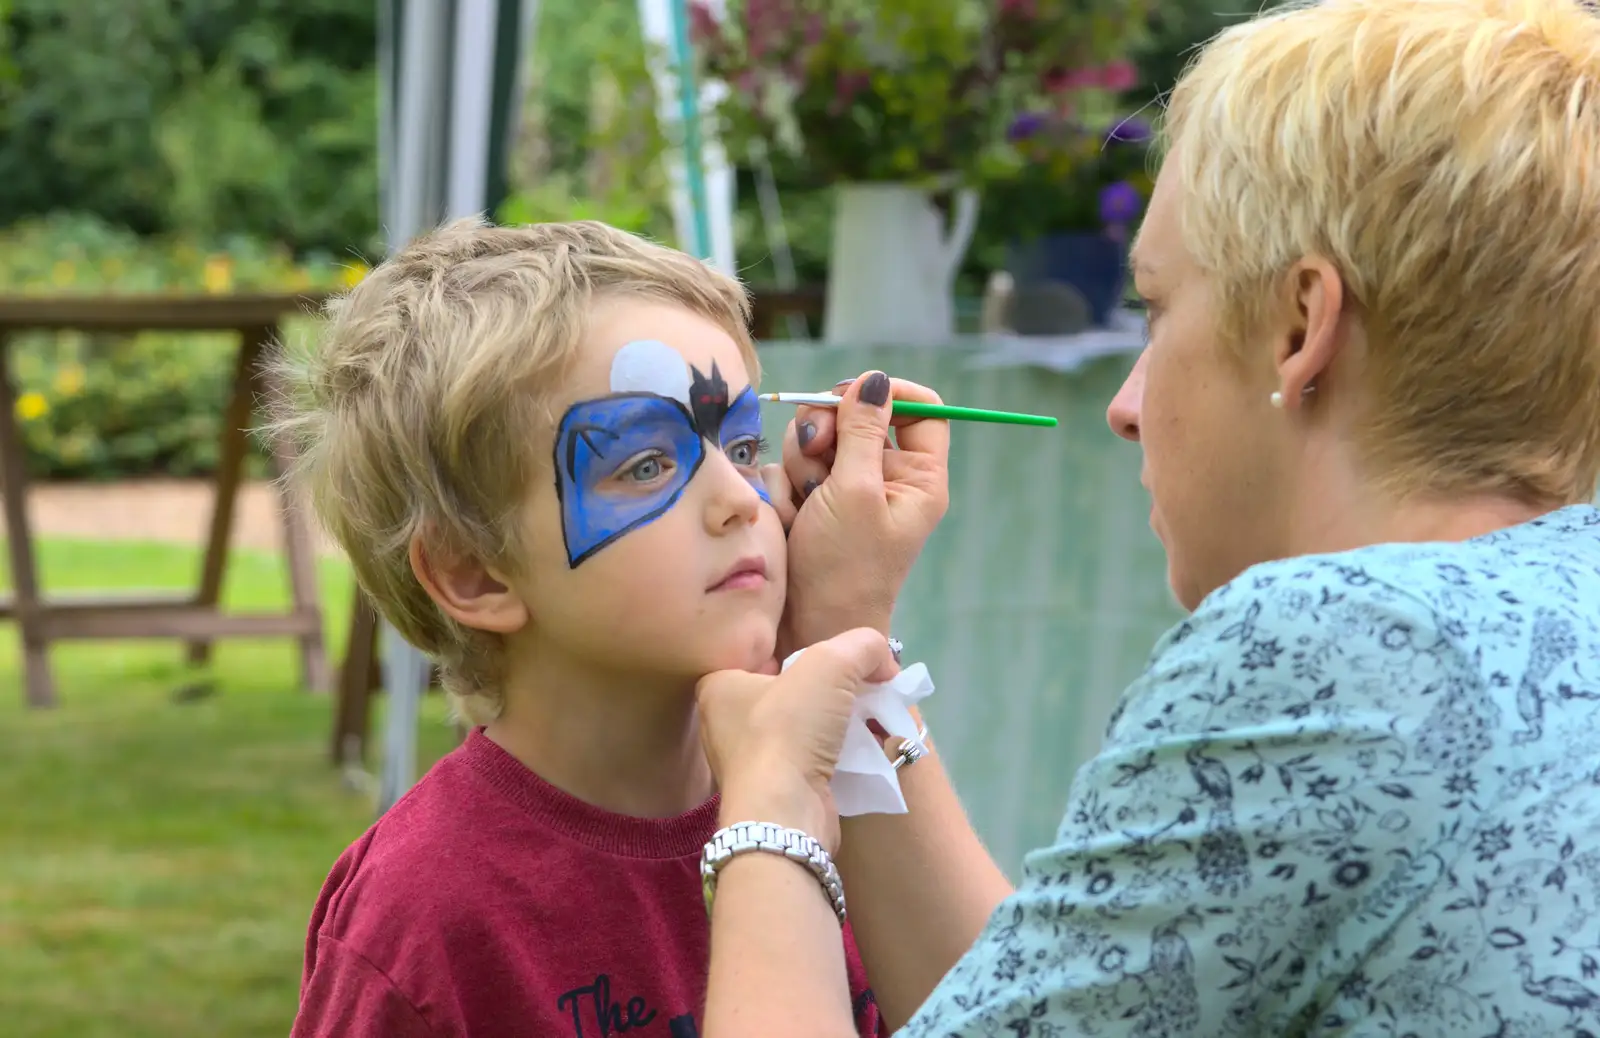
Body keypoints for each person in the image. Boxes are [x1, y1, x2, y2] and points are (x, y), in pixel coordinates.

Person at [688, 0, 1600, 1035]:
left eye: (1157, 310)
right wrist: (848, 636)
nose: (1125, 406)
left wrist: (769, 801)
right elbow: (1060, 1002)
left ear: (1302, 324)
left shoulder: (1332, 642)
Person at [271, 219, 886, 1037]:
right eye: (646, 464)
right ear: (475, 573)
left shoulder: (822, 788)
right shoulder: (427, 911)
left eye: (741, 444)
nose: (742, 496)